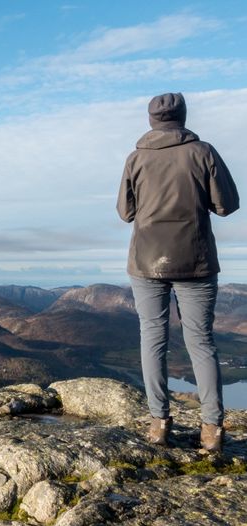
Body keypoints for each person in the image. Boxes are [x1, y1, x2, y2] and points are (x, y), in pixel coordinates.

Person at [117, 92, 239, 452]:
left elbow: (126, 212)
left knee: (153, 337)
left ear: (152, 120)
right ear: (183, 117)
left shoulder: (135, 159)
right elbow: (227, 205)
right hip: (196, 260)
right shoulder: (203, 152)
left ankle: (158, 425)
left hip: (146, 260)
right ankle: (212, 430)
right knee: (200, 340)